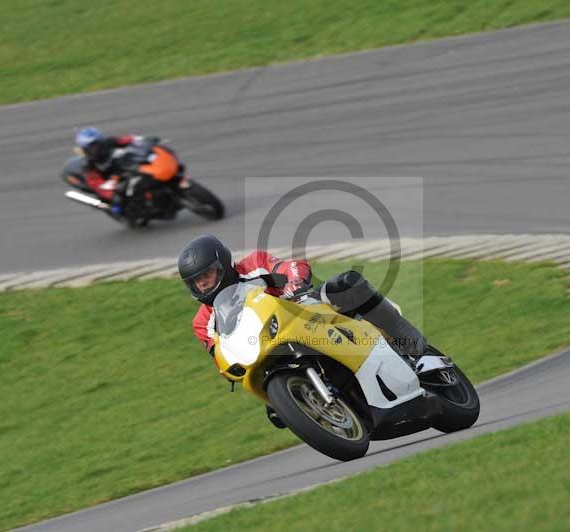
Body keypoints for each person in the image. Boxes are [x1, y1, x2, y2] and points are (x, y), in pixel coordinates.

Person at [177, 235, 428, 427]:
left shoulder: (253, 265)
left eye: (207, 274)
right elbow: (219, 353)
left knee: (348, 284)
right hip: (267, 349)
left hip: (301, 310)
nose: (202, 284)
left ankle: (418, 350)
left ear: (224, 263)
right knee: (277, 412)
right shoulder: (203, 322)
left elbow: (291, 267)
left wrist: (295, 284)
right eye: (195, 281)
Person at [72, 126, 182, 216]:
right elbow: (95, 183)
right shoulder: (88, 164)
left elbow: (128, 140)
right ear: (85, 148)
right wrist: (109, 193)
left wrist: (143, 140)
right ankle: (137, 209)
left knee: (148, 168)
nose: (94, 148)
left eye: (95, 144)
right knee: (120, 198)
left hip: (127, 168)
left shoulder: (109, 142)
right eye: (90, 146)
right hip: (111, 181)